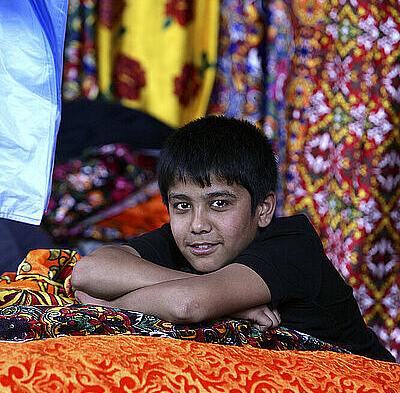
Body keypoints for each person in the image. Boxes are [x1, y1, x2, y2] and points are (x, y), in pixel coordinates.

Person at [72, 115, 395, 362]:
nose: (198, 224)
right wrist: (228, 306)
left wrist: (107, 305)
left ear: (264, 208)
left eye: (219, 204)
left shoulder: (292, 246)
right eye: (182, 206)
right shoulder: (183, 238)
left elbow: (189, 304)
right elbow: (87, 272)